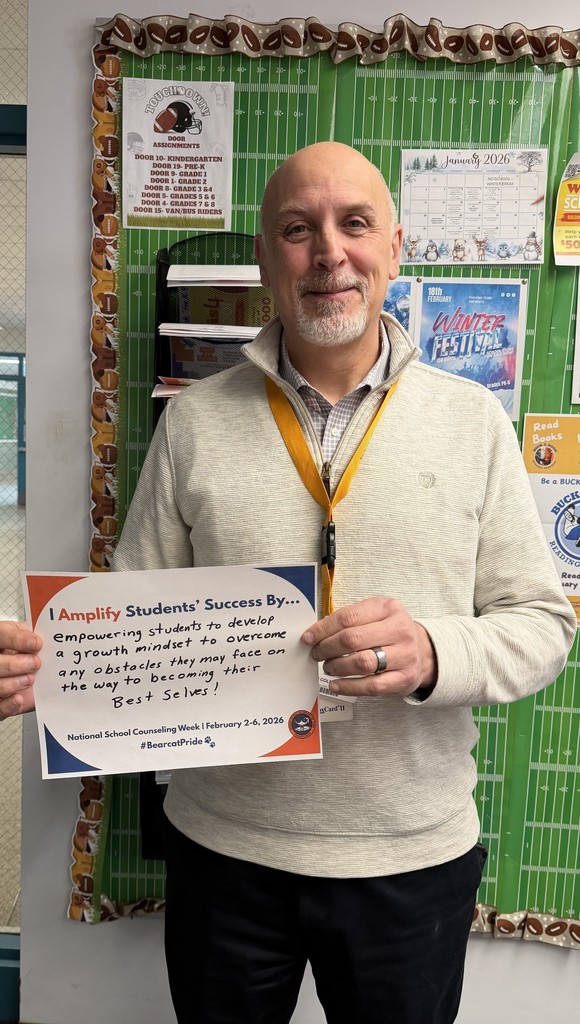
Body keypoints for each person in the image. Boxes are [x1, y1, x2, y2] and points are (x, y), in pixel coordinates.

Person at [0, 142, 575, 1024]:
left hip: (411, 861)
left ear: (396, 245)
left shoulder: (473, 423)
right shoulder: (193, 422)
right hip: (223, 854)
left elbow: (542, 624)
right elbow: (131, 619)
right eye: (297, 230)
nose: (329, 253)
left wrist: (432, 652)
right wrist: (45, 668)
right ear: (266, 258)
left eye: (355, 224)